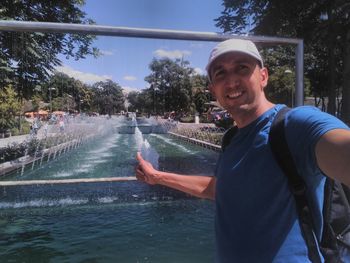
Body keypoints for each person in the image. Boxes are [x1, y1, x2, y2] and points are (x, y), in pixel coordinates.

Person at [135, 38, 350, 262]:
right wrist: (157, 177)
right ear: (213, 89)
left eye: (242, 68)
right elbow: (220, 189)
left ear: (263, 76)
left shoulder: (297, 125)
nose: (231, 81)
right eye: (220, 74)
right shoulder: (232, 139)